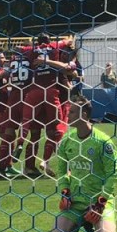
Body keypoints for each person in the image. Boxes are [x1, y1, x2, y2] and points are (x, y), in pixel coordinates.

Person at [49, 100, 117, 232]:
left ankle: (96, 221)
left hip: (98, 201)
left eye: (72, 112)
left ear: (84, 115)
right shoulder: (67, 140)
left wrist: (100, 204)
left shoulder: (103, 142)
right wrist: (65, 192)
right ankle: (82, 222)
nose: (68, 115)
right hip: (76, 201)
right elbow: (61, 171)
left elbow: (113, 175)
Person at [13, 33, 75, 179]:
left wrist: (24, 45)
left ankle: (21, 146)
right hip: (52, 93)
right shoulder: (56, 48)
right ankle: (53, 161)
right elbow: (69, 69)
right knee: (56, 128)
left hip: (33, 91)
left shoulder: (31, 49)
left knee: (29, 127)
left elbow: (17, 47)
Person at [0, 51, 23, 179]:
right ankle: (0, 168)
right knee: (7, 136)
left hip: (8, 106)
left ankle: (9, 166)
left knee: (10, 136)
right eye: (2, 57)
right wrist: (14, 68)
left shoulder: (2, 70)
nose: (4, 59)